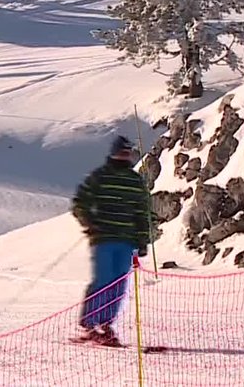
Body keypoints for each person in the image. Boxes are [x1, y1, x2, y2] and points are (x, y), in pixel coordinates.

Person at [71, 135, 152, 346]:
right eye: (122, 151)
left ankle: (106, 324)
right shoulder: (100, 176)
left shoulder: (135, 181)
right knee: (103, 279)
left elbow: (142, 212)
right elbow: (80, 201)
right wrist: (89, 221)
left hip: (126, 239)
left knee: (119, 283)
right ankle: (90, 323)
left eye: (128, 152)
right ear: (114, 152)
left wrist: (142, 240)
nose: (125, 155)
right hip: (104, 237)